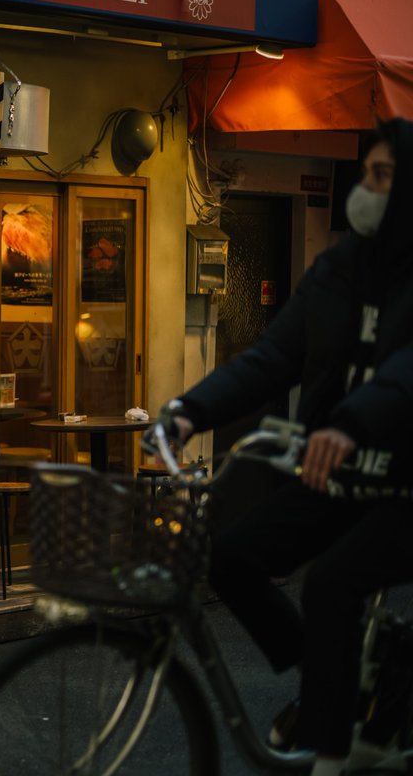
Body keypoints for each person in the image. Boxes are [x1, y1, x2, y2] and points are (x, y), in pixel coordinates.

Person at [161, 118, 413, 776]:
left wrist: (351, 422)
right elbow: (274, 356)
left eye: (384, 177)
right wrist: (192, 409)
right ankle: (345, 681)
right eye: (366, 174)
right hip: (337, 472)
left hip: (404, 484)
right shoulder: (337, 269)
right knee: (232, 559)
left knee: (331, 584)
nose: (367, 189)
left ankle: (328, 750)